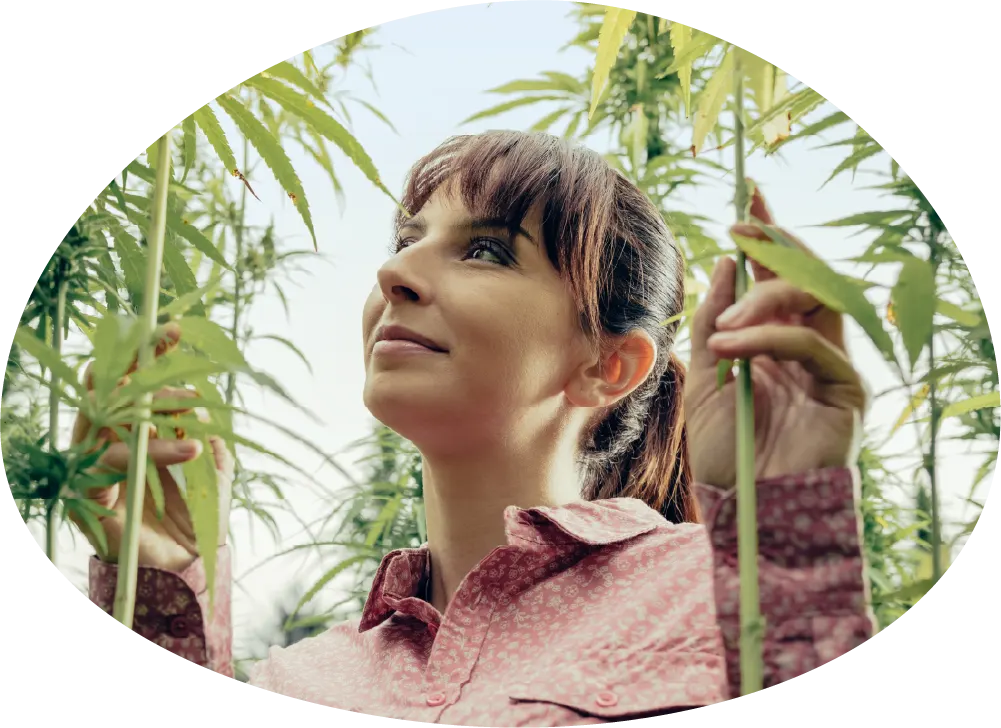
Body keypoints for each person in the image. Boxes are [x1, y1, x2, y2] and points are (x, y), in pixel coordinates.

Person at [74, 131, 875, 727]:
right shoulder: (298, 681)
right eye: (405, 241)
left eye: (487, 250)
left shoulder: (717, 591)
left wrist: (786, 527)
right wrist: (155, 599)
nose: (393, 274)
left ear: (611, 365)